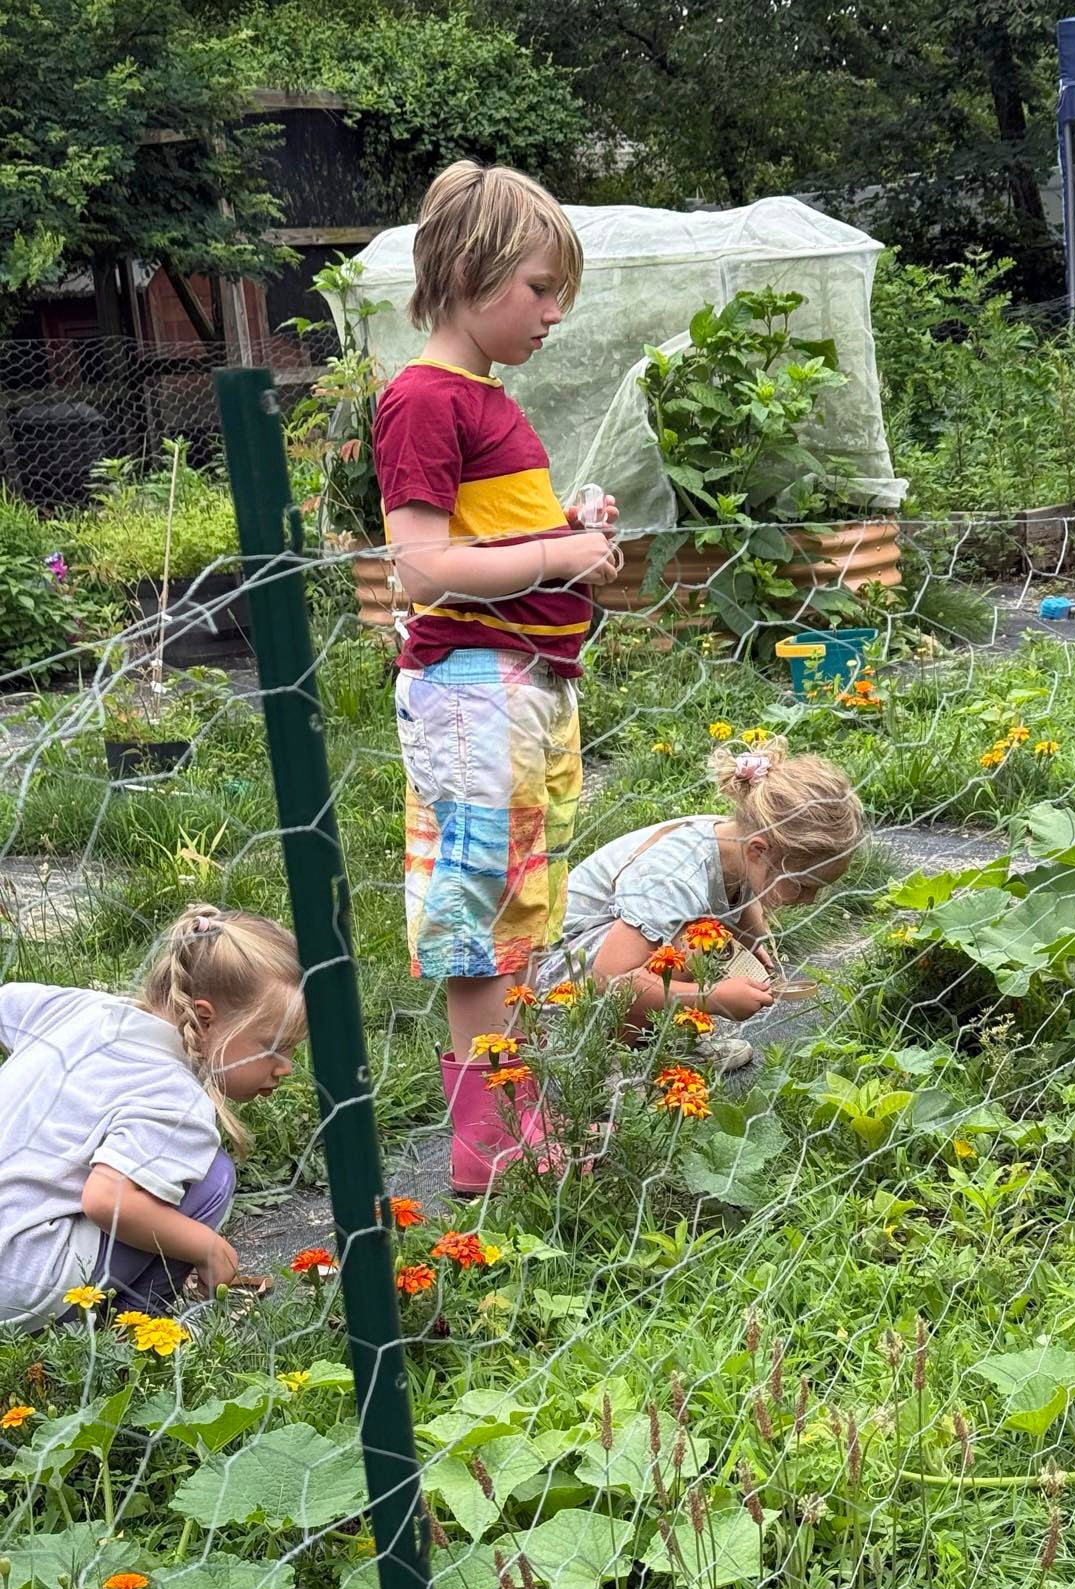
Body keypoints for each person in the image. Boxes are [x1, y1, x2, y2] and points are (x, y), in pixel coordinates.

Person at [372, 159, 620, 1189]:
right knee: (480, 917)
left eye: (559, 290)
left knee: (518, 908)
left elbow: (484, 544)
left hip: (515, 693)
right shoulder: (425, 401)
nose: (553, 311)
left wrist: (568, 527)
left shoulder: (479, 398)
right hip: (474, 695)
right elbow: (423, 566)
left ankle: (515, 1123)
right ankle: (489, 1147)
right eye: (538, 287)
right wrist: (559, 558)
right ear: (469, 277)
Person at [0, 906, 305, 1332]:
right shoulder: (176, 1098)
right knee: (212, 1180)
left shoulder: (78, 1008)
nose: (286, 1066)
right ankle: (129, 1328)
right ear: (205, 1020)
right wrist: (209, 1249)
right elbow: (105, 1200)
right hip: (22, 1285)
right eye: (275, 1046)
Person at [541, 739, 864, 1058]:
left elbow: (738, 896)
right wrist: (712, 998)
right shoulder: (674, 875)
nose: (809, 900)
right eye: (803, 885)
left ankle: (656, 1039)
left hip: (595, 966)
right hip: (557, 990)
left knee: (711, 942)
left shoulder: (738, 845)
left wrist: (750, 944)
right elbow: (608, 982)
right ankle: (615, 1057)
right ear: (758, 850)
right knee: (698, 944)